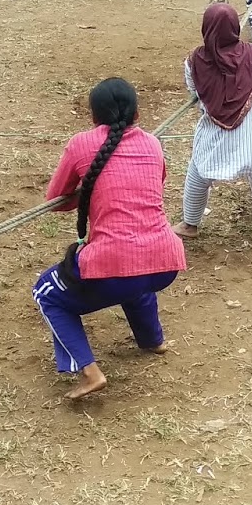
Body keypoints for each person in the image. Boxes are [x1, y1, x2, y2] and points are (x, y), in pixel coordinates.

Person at [33, 79, 185, 400]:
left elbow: (57, 199)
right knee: (135, 275)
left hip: (113, 263)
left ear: (93, 117)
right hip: (165, 262)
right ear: (138, 114)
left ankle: (89, 373)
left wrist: (85, 190)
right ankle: (152, 340)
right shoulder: (153, 145)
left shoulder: (81, 144)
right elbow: (156, 182)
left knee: (46, 292)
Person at [173, 3, 252, 240]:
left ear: (206, 29)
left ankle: (190, 224)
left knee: (198, 172)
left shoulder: (193, 61)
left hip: (216, 132)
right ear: (235, 27)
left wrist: (216, 108)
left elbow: (199, 99)